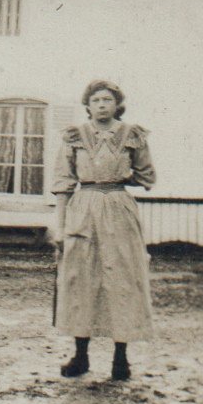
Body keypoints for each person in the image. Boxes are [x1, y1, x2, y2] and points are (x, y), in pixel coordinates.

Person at [50, 80, 156, 381]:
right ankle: (80, 356)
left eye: (107, 99)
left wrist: (118, 177)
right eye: (95, 100)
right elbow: (62, 182)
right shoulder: (74, 137)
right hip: (83, 210)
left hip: (120, 211)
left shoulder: (133, 135)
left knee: (121, 280)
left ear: (117, 104)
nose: (101, 105)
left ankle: (120, 359)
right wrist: (61, 227)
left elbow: (147, 174)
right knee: (81, 280)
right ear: (88, 105)